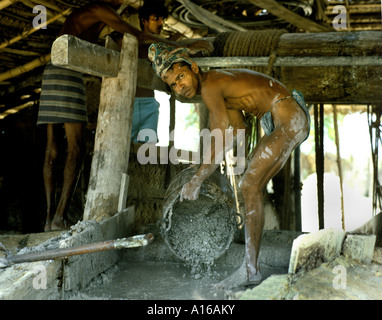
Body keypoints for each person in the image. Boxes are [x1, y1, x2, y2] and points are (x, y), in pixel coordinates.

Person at [38, 0, 212, 232]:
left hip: (53, 68)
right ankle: (59, 218)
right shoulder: (98, 9)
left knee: (52, 149)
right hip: (68, 70)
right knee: (76, 149)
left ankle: (50, 220)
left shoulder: (89, 15)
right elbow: (132, 35)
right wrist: (180, 43)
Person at [148, 42, 310, 288]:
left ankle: (250, 270)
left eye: (181, 76)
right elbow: (237, 131)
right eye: (173, 84)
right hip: (285, 119)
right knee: (250, 184)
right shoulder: (219, 90)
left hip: (288, 118)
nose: (180, 86)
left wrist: (198, 179)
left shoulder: (211, 84)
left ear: (193, 67)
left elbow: (220, 132)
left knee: (249, 185)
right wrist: (211, 167)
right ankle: (251, 268)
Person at [131, 0, 168, 143]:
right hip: (128, 104)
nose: (161, 23)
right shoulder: (131, 42)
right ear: (144, 21)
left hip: (150, 104)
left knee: (147, 154)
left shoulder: (161, 47)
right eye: (156, 19)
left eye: (163, 19)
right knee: (123, 149)